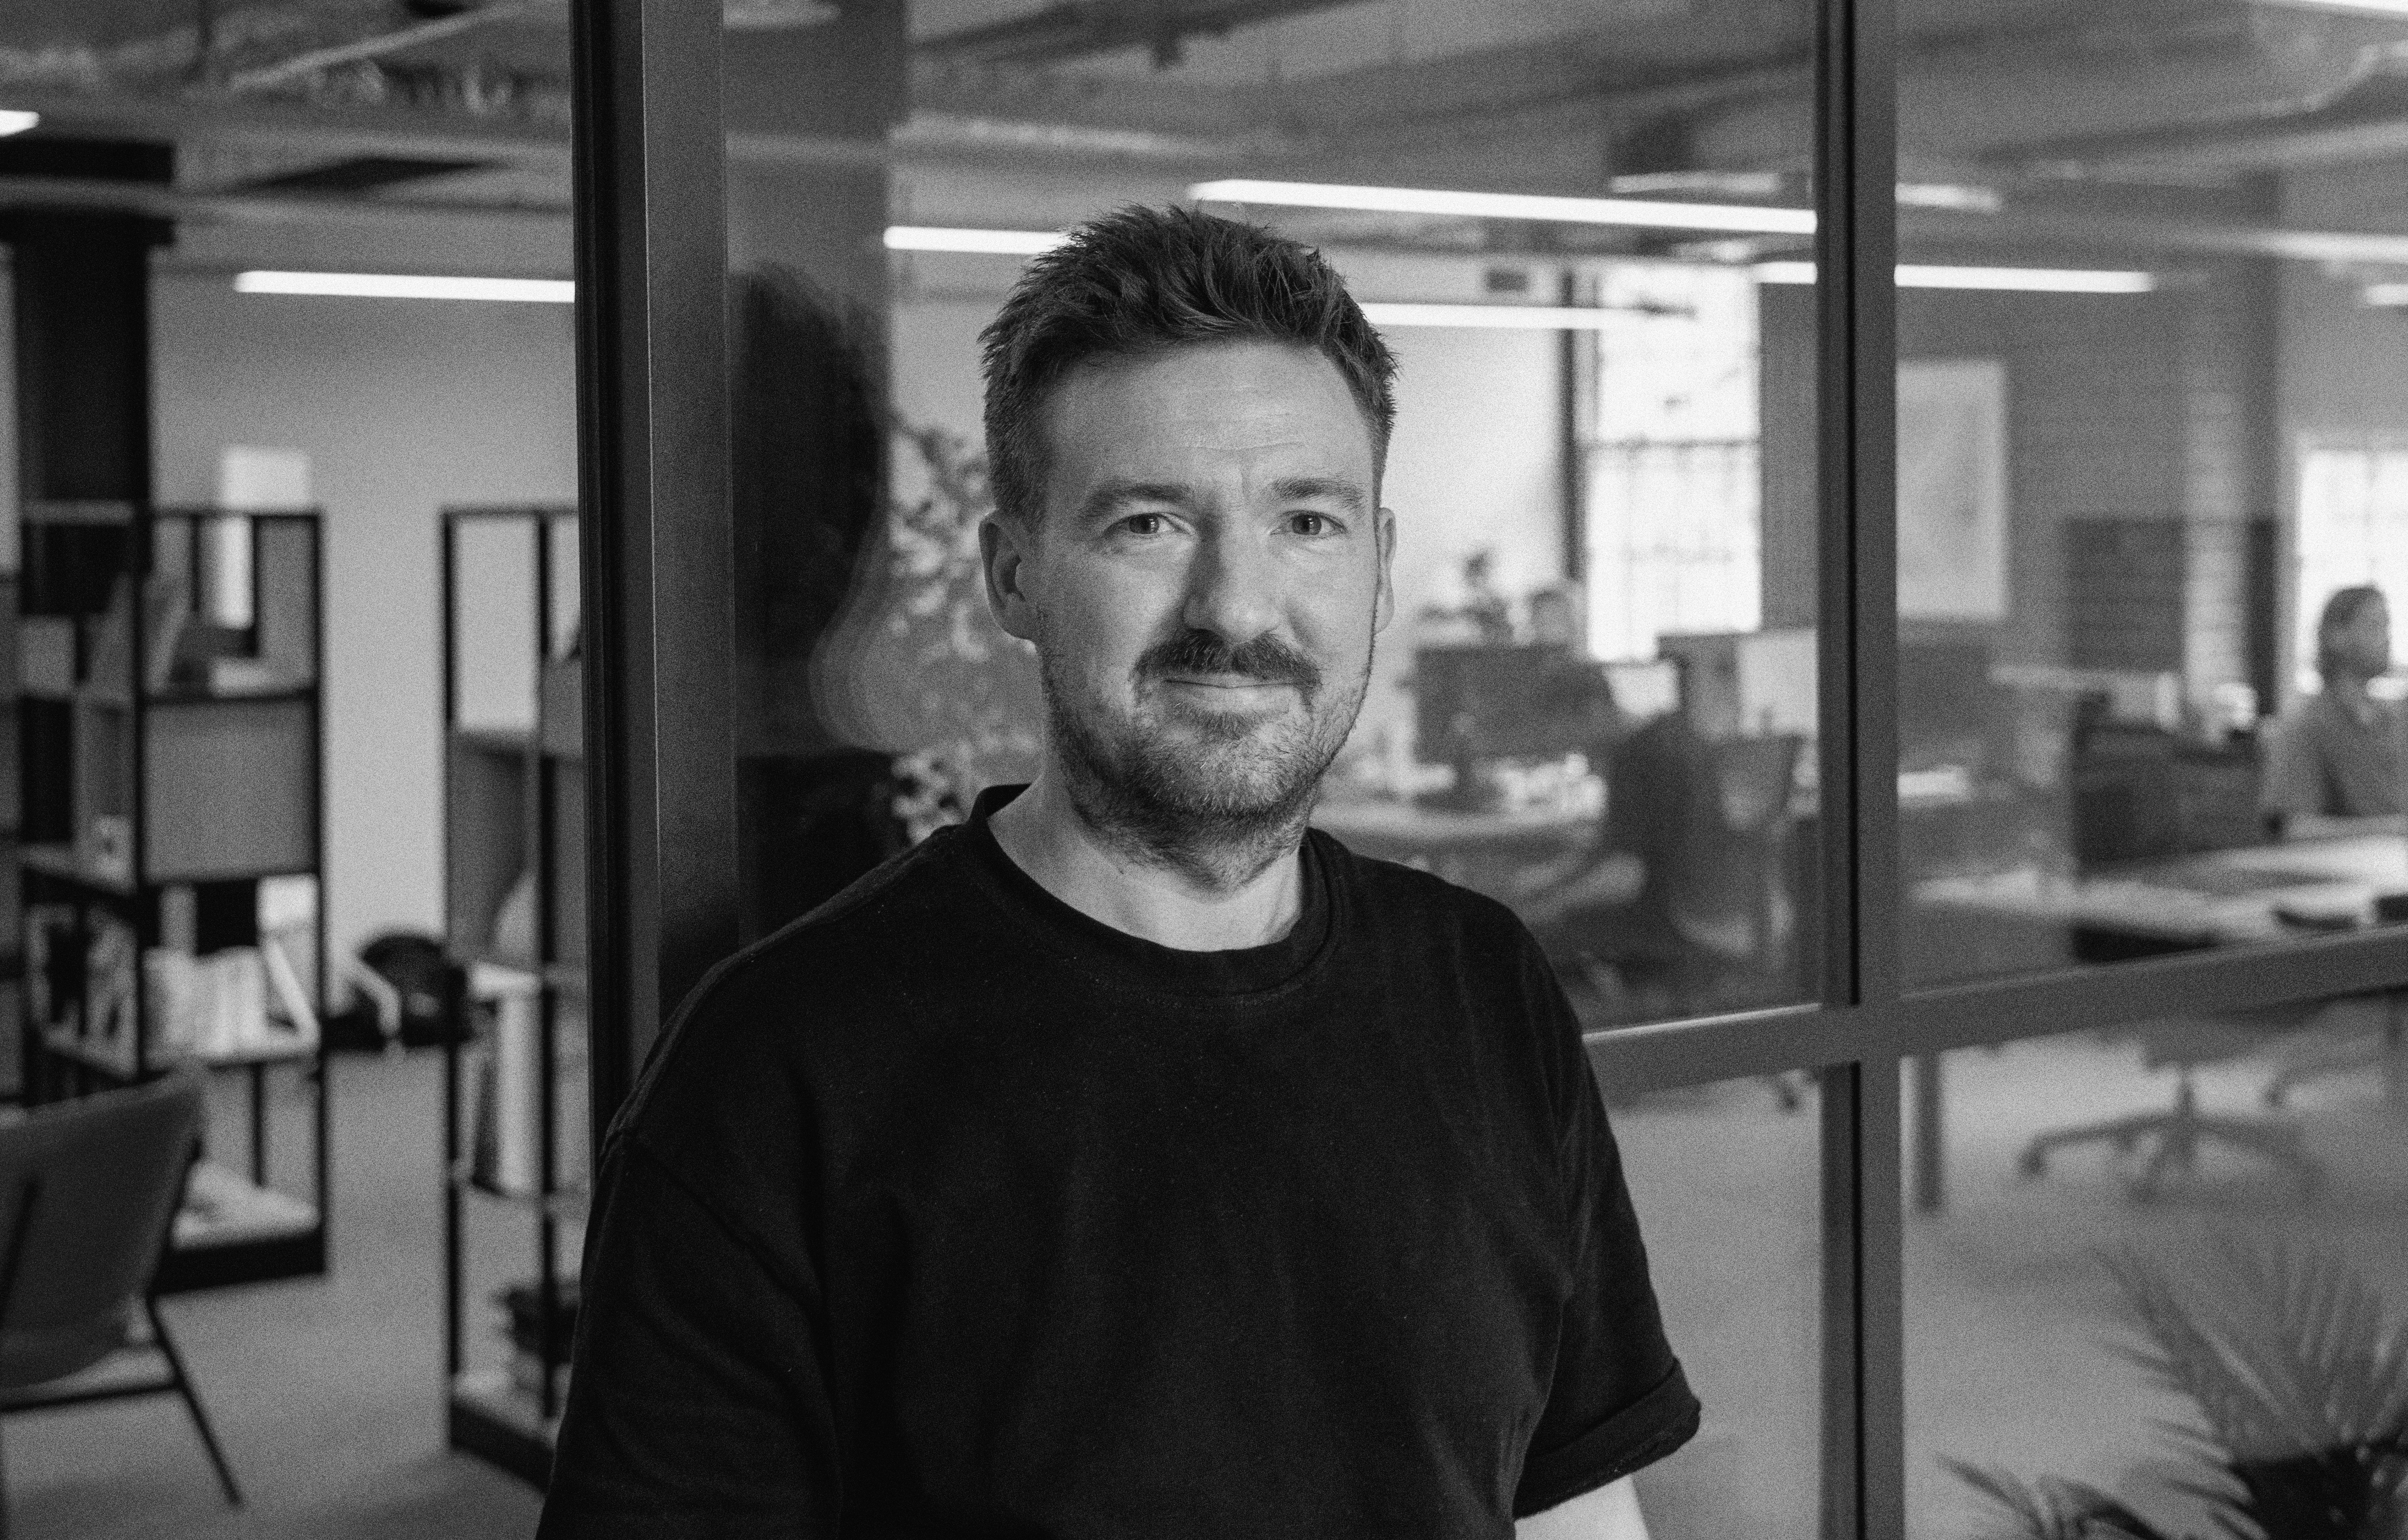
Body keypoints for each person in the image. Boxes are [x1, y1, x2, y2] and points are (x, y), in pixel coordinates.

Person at [539, 206, 1698, 1539]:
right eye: (1149, 522)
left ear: (1378, 564)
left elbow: (1570, 1501)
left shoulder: (1482, 988)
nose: (1236, 608)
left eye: (1306, 521)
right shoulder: (775, 1075)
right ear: (1012, 570)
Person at [2261, 585, 2408, 841]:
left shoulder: (2394, 720)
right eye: (2374, 626)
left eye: (2386, 626)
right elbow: (2295, 829)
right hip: (2345, 873)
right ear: (2337, 636)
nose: (2386, 638)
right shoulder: (2306, 726)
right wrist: (2392, 830)